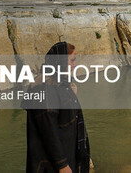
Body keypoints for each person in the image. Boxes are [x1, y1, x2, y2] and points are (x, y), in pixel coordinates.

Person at [25, 42, 91, 173]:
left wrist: (71, 95)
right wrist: (62, 165)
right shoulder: (45, 88)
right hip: (52, 166)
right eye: (72, 60)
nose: (75, 65)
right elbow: (49, 130)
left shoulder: (62, 84)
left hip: (64, 158)